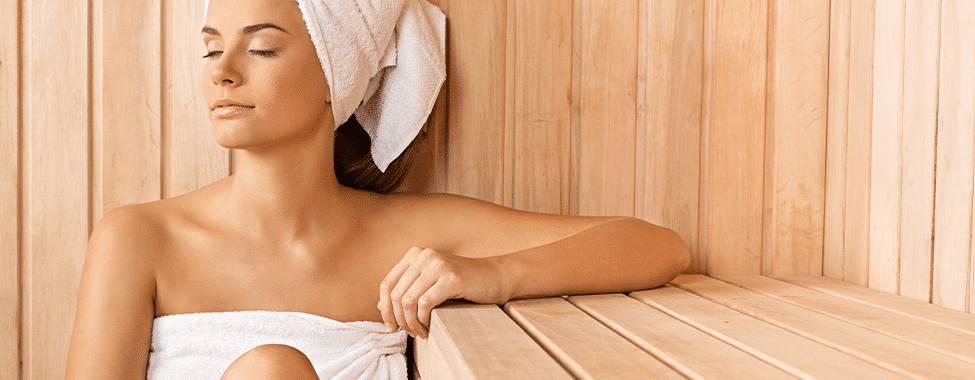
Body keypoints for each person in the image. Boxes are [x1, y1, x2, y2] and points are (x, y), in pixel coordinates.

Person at [64, 0, 690, 378]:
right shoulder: (139, 238)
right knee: (270, 371)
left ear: (338, 75)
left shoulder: (408, 238)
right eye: (211, 50)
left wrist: (490, 274)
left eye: (260, 48)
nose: (223, 73)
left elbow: (656, 247)